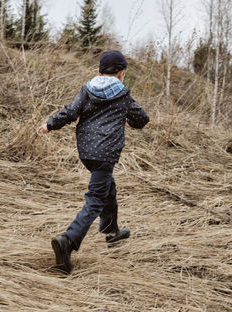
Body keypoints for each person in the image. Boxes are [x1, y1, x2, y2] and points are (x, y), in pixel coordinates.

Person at [37, 50, 150, 273]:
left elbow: (70, 112)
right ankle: (68, 241)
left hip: (86, 152)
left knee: (108, 187)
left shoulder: (87, 89)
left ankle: (112, 231)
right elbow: (142, 118)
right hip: (106, 154)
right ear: (121, 74)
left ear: (99, 71)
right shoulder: (123, 94)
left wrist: (49, 125)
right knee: (96, 197)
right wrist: (129, 120)